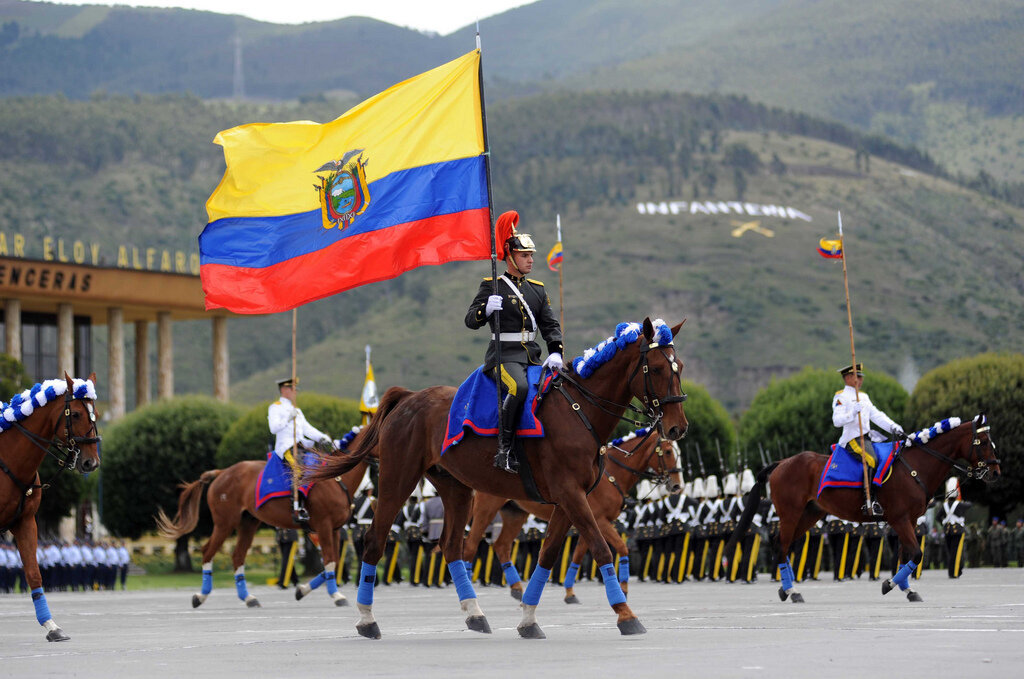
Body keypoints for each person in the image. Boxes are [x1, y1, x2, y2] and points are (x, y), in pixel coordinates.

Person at [465, 210, 564, 473]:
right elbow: (470, 321)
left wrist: (555, 351)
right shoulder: (492, 286)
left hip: (532, 356)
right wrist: (485, 308)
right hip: (503, 356)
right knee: (519, 388)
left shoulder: (538, 290)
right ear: (509, 257)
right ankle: (504, 450)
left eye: (531, 255)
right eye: (525, 255)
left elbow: (549, 325)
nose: (531, 260)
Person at [831, 363, 904, 516]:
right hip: (852, 439)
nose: (860, 379)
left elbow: (877, 415)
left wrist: (894, 427)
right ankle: (869, 501)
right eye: (857, 376)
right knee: (872, 460)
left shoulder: (864, 397)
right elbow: (836, 421)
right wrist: (852, 412)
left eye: (861, 376)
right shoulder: (841, 397)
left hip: (868, 438)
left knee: (888, 458)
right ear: (848, 378)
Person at [268, 377, 332, 523]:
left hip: (302, 446)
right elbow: (273, 428)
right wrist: (288, 419)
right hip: (286, 447)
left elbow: (307, 429)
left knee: (319, 467)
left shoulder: (297, 410)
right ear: (284, 390)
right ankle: (296, 507)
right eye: (293, 389)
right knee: (298, 471)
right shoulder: (275, 407)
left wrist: (322, 437)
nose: (295, 392)